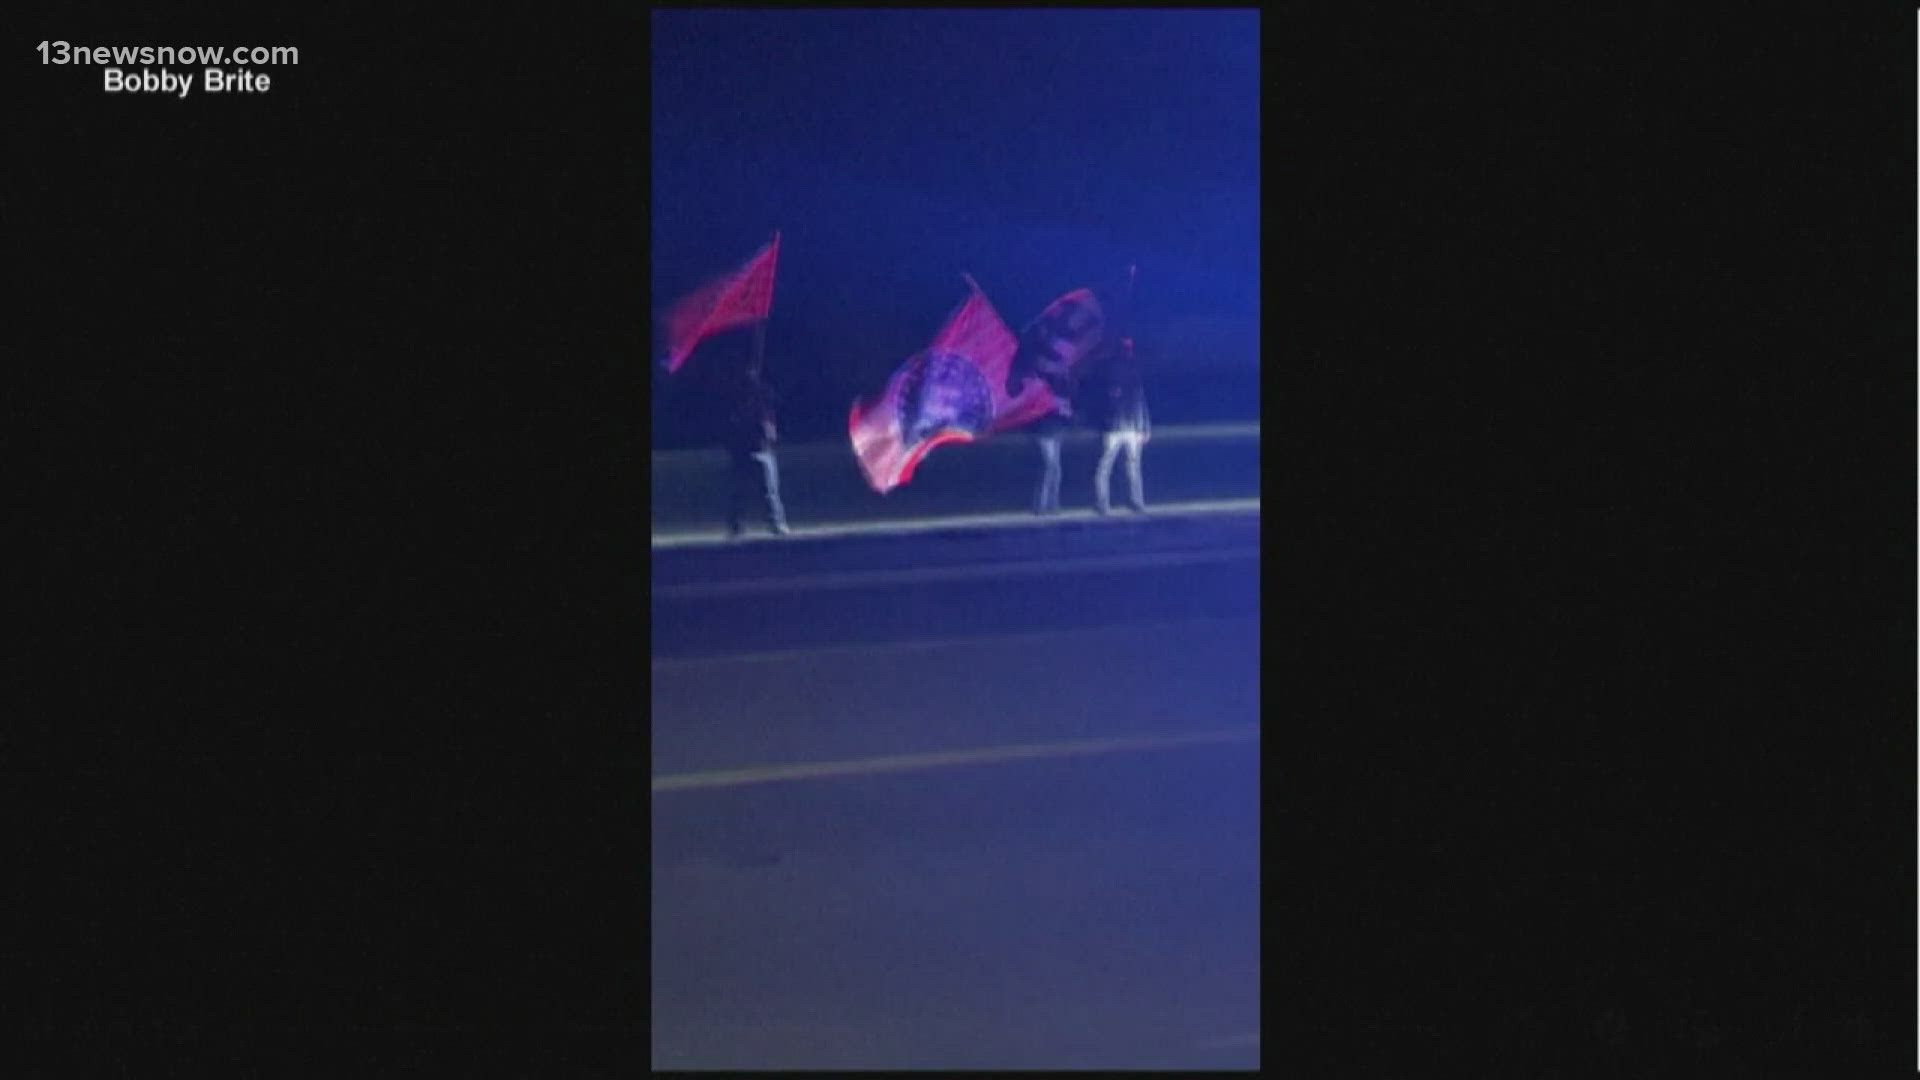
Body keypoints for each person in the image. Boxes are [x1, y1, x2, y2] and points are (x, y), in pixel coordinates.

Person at [722, 368, 789, 537]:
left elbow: (770, 424)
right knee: (740, 492)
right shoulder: (737, 407)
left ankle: (776, 523)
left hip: (761, 450)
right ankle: (736, 525)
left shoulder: (763, 403)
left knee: (769, 492)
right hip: (745, 451)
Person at [1094, 338, 1149, 514]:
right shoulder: (1114, 373)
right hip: (1119, 428)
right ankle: (1106, 503)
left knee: (1122, 467)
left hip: (1126, 427)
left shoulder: (1129, 373)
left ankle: (1133, 502)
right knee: (1111, 467)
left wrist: (1144, 427)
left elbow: (1140, 401)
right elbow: (1138, 402)